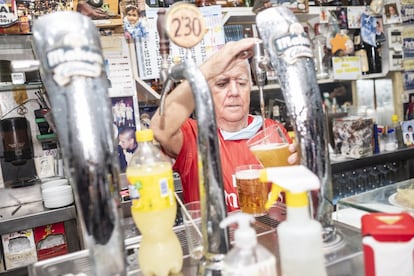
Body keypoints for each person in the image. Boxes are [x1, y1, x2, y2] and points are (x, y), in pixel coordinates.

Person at [151, 38, 298, 212]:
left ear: (250, 86)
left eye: (242, 83)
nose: (234, 92)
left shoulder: (272, 132)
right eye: (222, 83)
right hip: (217, 239)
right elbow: (160, 128)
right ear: (204, 89)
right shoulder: (194, 136)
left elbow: (294, 194)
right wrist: (211, 67)